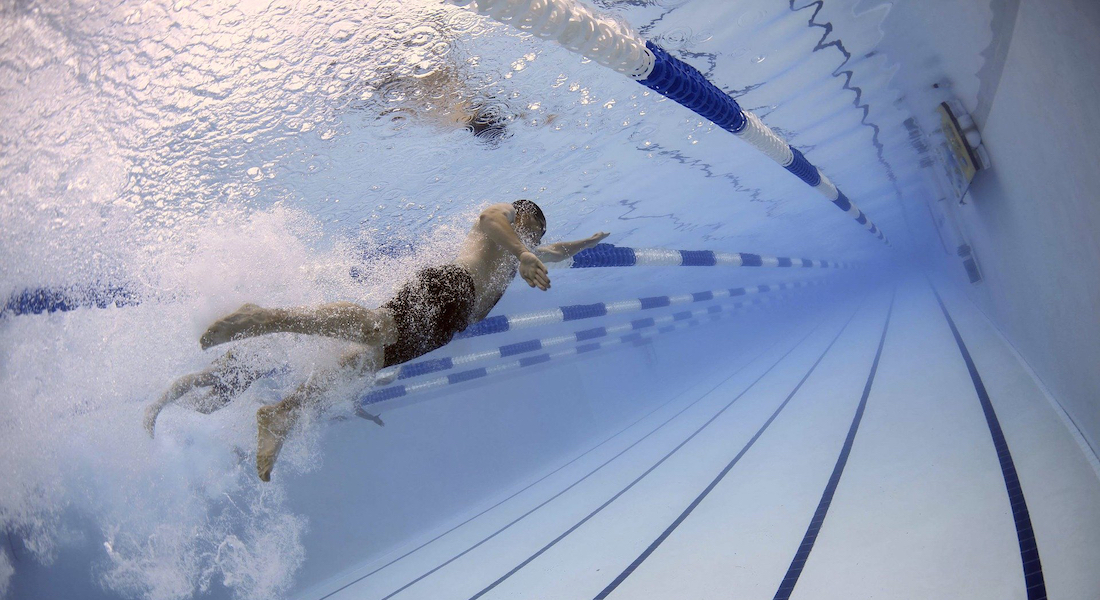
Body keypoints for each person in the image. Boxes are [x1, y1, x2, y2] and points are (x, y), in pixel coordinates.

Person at [146, 200, 609, 481]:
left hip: (445, 327)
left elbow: (553, 251)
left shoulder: (521, 254)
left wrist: (583, 244)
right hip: (449, 286)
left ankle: (281, 413)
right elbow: (490, 219)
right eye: (531, 229)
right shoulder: (505, 222)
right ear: (523, 216)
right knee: (373, 328)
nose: (534, 239)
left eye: (535, 236)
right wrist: (525, 250)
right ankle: (264, 318)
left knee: (360, 364)